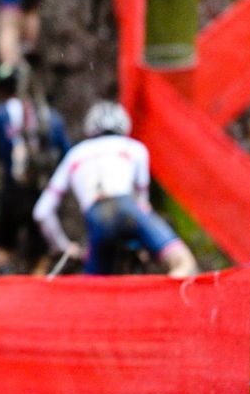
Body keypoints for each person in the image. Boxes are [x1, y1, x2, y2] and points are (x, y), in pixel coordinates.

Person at [32, 101, 199, 277]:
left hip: (96, 219)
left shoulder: (75, 154)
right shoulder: (135, 148)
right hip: (128, 209)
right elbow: (142, 203)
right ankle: (172, 297)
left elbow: (41, 212)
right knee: (183, 263)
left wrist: (63, 246)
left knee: (91, 291)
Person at [0, 63, 70, 274]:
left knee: (3, 248)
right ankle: (35, 294)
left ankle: (7, 284)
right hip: (42, 191)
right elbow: (66, 153)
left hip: (12, 190)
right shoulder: (51, 117)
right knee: (40, 253)